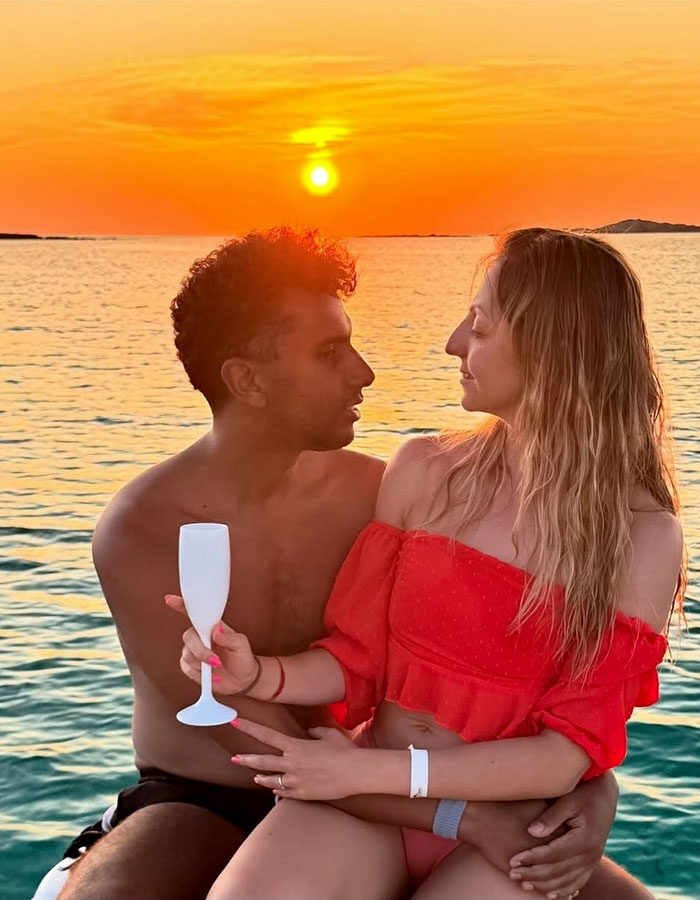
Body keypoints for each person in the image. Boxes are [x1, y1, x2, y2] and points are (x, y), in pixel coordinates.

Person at [45, 228, 651, 900]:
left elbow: (512, 678)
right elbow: (256, 739)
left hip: (393, 777)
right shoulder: (142, 528)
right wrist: (460, 815)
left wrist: (592, 787)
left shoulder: (379, 490)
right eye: (330, 353)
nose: (364, 372)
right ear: (248, 380)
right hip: (212, 794)